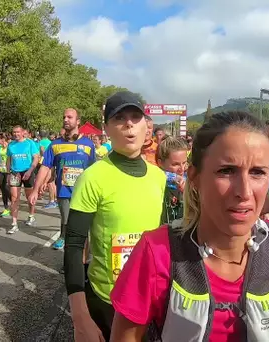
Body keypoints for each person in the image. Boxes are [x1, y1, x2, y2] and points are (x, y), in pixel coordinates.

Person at [109, 111, 269, 342]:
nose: (244, 192)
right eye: (226, 171)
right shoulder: (156, 252)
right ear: (195, 178)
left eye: (257, 172)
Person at [64, 91, 166, 341]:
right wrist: (80, 318)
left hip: (151, 301)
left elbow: (164, 242)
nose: (129, 124)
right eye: (120, 118)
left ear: (146, 126)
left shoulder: (159, 177)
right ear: (107, 128)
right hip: (107, 301)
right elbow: (74, 246)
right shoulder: (93, 177)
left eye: (135, 117)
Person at [29, 108, 95, 250]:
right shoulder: (55, 145)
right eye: (64, 117)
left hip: (84, 193)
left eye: (69, 117)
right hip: (64, 192)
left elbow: (93, 169)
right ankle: (68, 258)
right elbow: (45, 167)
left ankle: (83, 261)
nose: (65, 119)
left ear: (78, 121)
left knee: (82, 228)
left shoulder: (88, 145)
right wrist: (35, 189)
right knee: (68, 223)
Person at [5, 125, 40, 233]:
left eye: (18, 132)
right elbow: (9, 160)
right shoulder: (11, 145)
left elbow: (36, 158)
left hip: (28, 171)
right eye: (14, 132)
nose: (16, 134)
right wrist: (8, 173)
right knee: (14, 197)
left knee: (30, 197)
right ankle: (14, 223)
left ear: (22, 132)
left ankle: (31, 215)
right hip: (15, 173)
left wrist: (30, 171)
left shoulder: (30, 143)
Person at [155, 136, 188, 224]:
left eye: (184, 163)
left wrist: (188, 193)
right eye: (175, 164)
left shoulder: (190, 181)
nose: (182, 168)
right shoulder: (155, 181)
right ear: (160, 163)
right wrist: (174, 178)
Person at [0, 134, 11, 217]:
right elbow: (0, 160)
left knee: (7, 189)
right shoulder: (0, 148)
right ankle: (6, 208)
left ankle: (14, 203)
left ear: (3, 139)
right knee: (3, 190)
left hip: (8, 171)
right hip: (1, 170)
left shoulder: (9, 147)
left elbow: (11, 159)